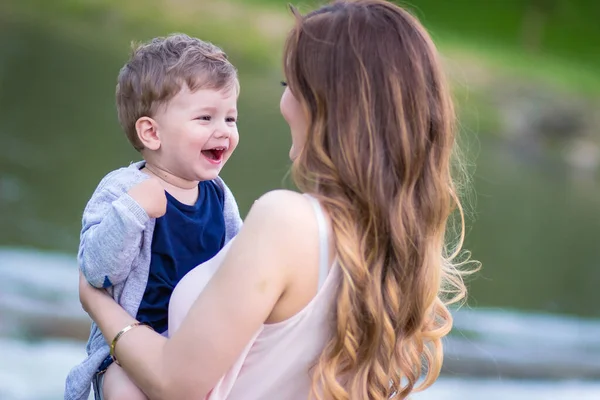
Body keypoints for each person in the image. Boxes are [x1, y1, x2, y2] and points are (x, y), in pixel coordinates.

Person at [78, 1, 476, 399]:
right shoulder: (394, 244)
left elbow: (174, 384)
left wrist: (97, 302)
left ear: (325, 103)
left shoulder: (286, 221)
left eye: (290, 87)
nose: (283, 103)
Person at [65, 33, 243, 400]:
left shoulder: (219, 195)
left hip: (196, 346)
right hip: (129, 352)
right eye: (205, 117)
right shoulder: (122, 190)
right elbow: (96, 272)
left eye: (230, 117)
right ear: (151, 132)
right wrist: (133, 211)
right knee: (125, 391)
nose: (223, 130)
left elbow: (236, 264)